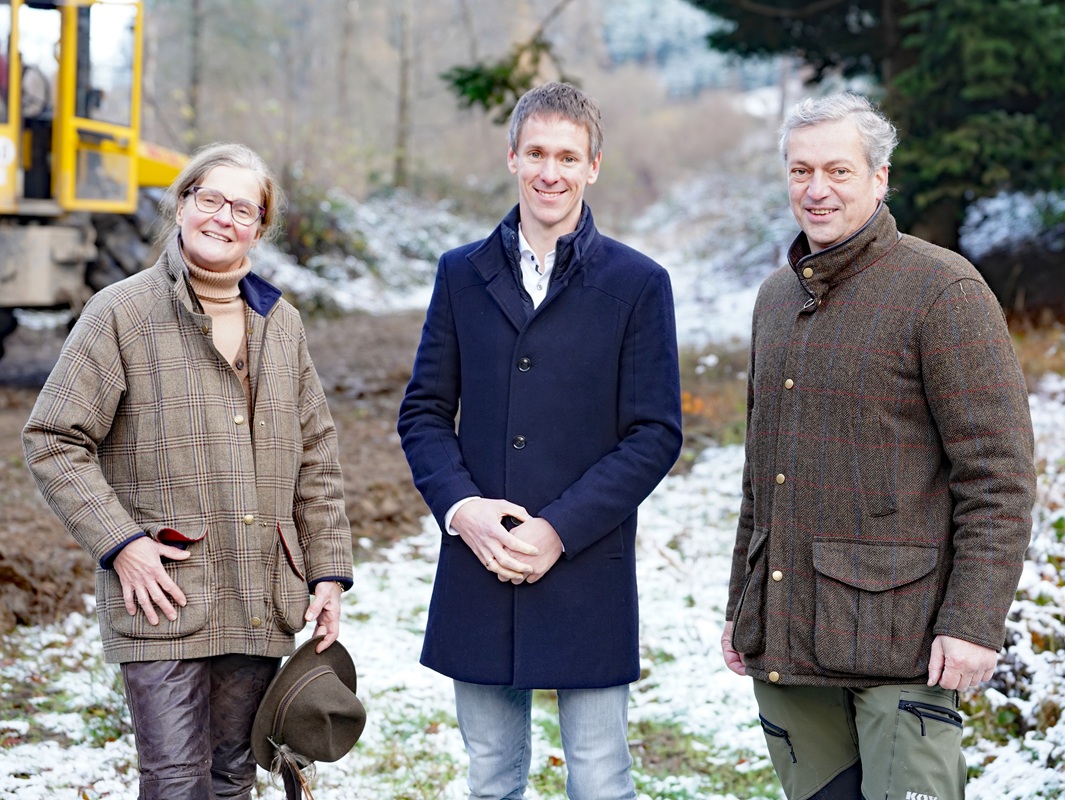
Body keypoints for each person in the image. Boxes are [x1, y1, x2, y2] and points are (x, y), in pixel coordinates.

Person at [720, 92, 1037, 800]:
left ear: (879, 178)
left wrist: (973, 624)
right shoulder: (775, 296)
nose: (816, 189)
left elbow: (998, 477)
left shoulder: (942, 290)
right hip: (788, 641)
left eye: (837, 169)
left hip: (904, 643)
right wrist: (741, 608)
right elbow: (759, 476)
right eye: (801, 171)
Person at [22, 142, 353, 800]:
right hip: (163, 593)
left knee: (231, 777)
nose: (222, 218)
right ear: (180, 205)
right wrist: (123, 546)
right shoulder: (120, 312)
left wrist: (327, 574)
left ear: (259, 227)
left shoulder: (279, 323)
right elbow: (53, 438)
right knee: (175, 783)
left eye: (242, 208)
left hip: (259, 590)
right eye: (209, 200)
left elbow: (316, 453)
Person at [397, 81, 683, 800]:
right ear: (511, 158)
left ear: (592, 166)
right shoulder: (461, 274)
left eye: (566, 156)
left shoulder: (638, 283)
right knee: (490, 774)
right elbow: (425, 412)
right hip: (479, 564)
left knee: (598, 777)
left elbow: (654, 435)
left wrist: (557, 529)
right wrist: (462, 511)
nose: (549, 171)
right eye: (535, 154)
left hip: (587, 562)